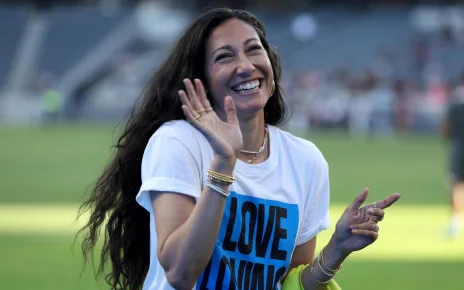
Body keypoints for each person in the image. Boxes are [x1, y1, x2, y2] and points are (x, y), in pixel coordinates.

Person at [78, 8, 401, 290]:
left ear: (271, 70)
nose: (245, 66)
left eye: (253, 50)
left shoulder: (305, 160)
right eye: (224, 56)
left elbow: (289, 283)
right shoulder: (177, 142)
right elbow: (180, 272)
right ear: (200, 81)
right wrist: (223, 162)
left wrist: (336, 250)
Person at [441, 74, 464, 238]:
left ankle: (455, 222)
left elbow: (445, 128)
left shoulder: (455, 103)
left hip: (458, 147)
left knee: (456, 185)